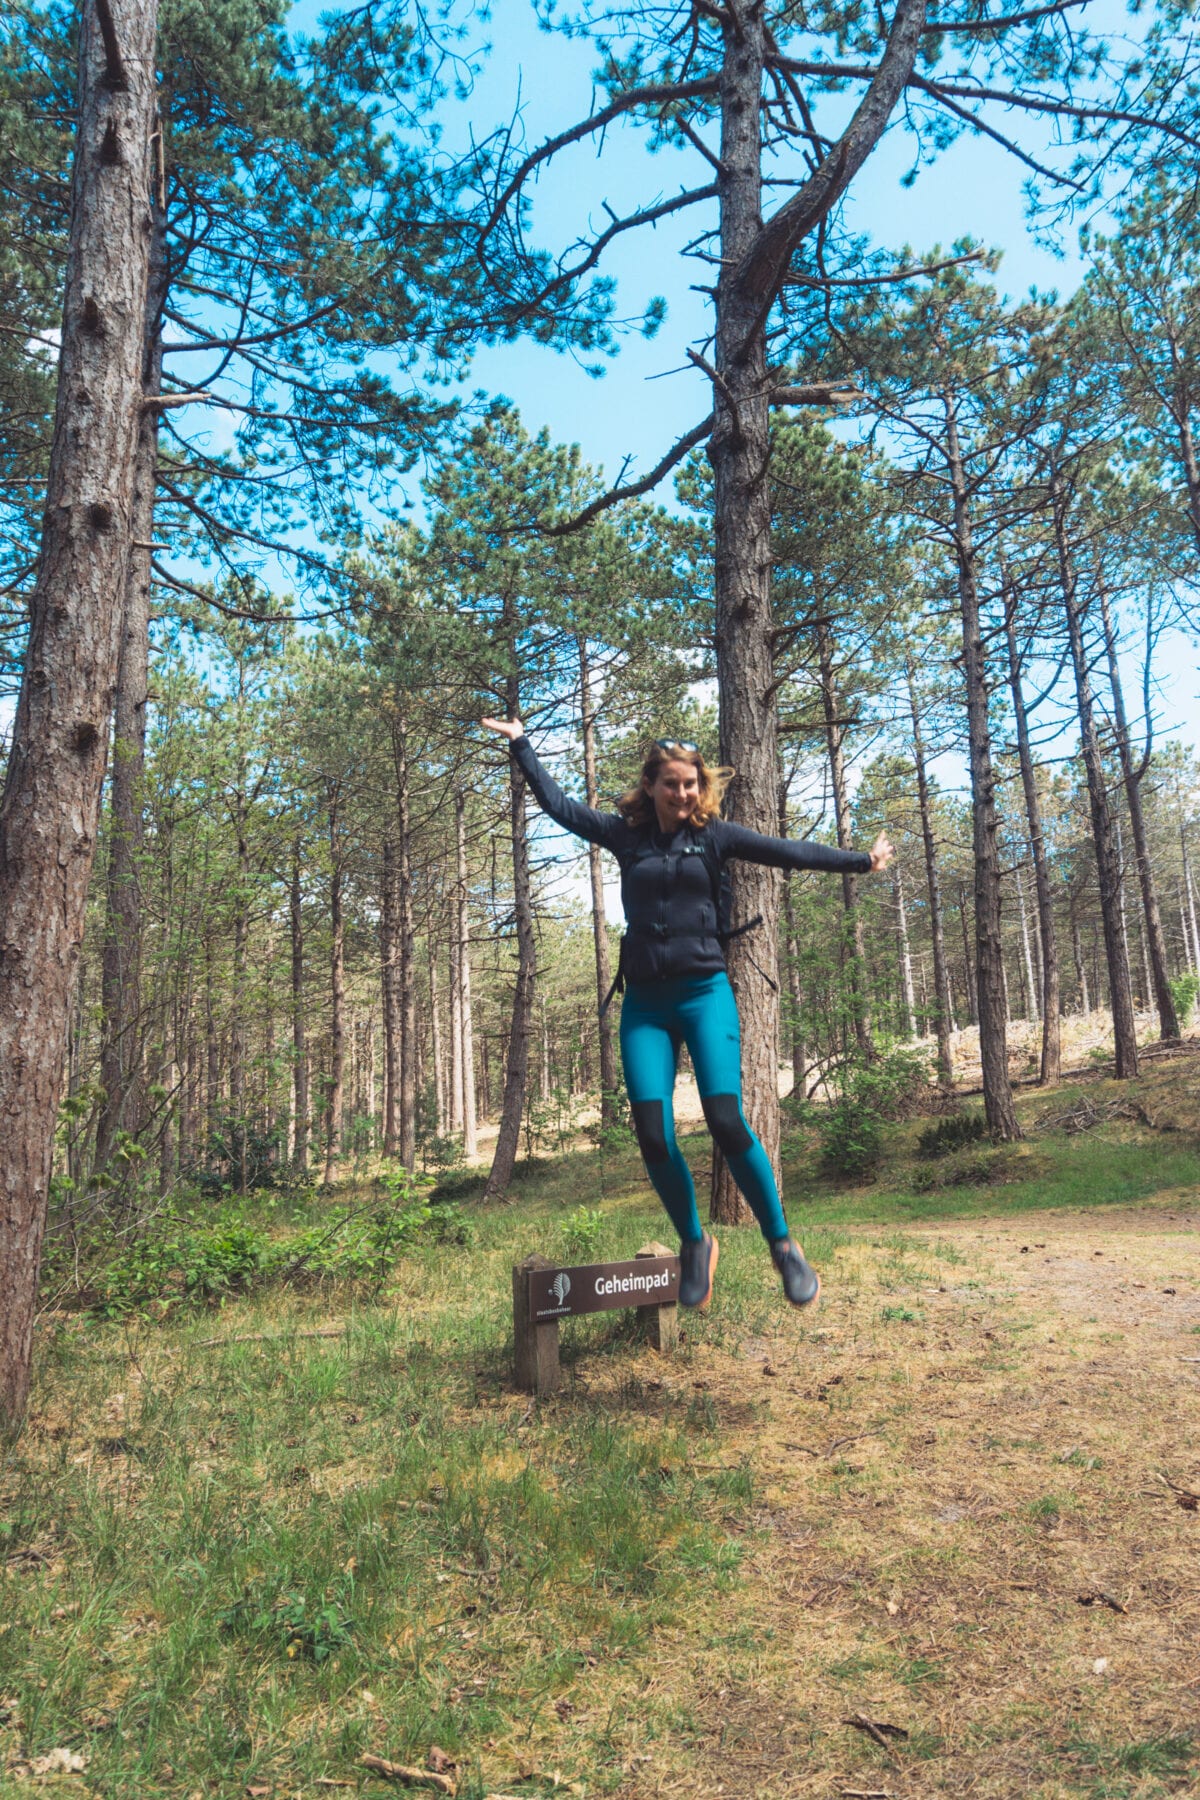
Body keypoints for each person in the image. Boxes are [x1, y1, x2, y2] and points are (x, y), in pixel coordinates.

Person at [482, 719, 894, 1312]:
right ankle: (695, 1243)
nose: (683, 794)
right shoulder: (626, 837)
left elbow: (789, 852)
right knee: (652, 1134)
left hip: (704, 994)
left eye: (691, 784)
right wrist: (522, 744)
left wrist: (861, 862)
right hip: (646, 1004)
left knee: (726, 1121)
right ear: (650, 786)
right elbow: (561, 808)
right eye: (671, 784)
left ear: (702, 788)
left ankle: (782, 1246)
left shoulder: (717, 838)